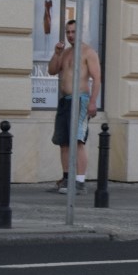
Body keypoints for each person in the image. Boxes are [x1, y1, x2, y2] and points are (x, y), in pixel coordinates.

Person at [48, 18, 102, 194]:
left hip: (81, 100)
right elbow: (52, 70)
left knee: (77, 141)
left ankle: (79, 182)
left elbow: (97, 78)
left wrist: (93, 102)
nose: (70, 35)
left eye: (73, 32)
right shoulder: (65, 52)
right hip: (65, 100)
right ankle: (66, 178)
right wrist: (56, 53)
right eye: (68, 32)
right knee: (63, 142)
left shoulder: (88, 52)